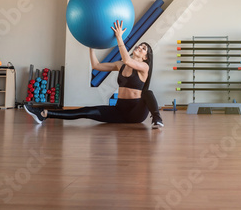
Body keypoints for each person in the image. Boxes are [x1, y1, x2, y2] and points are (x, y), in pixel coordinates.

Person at [24, 20, 164, 129]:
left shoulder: (144, 67)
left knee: (148, 92)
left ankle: (157, 118)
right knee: (87, 111)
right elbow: (97, 66)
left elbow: (127, 59)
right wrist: (91, 47)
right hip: (119, 109)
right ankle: (44, 114)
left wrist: (119, 37)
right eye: (140, 45)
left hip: (136, 112)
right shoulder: (120, 65)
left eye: (144, 48)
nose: (139, 47)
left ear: (146, 57)